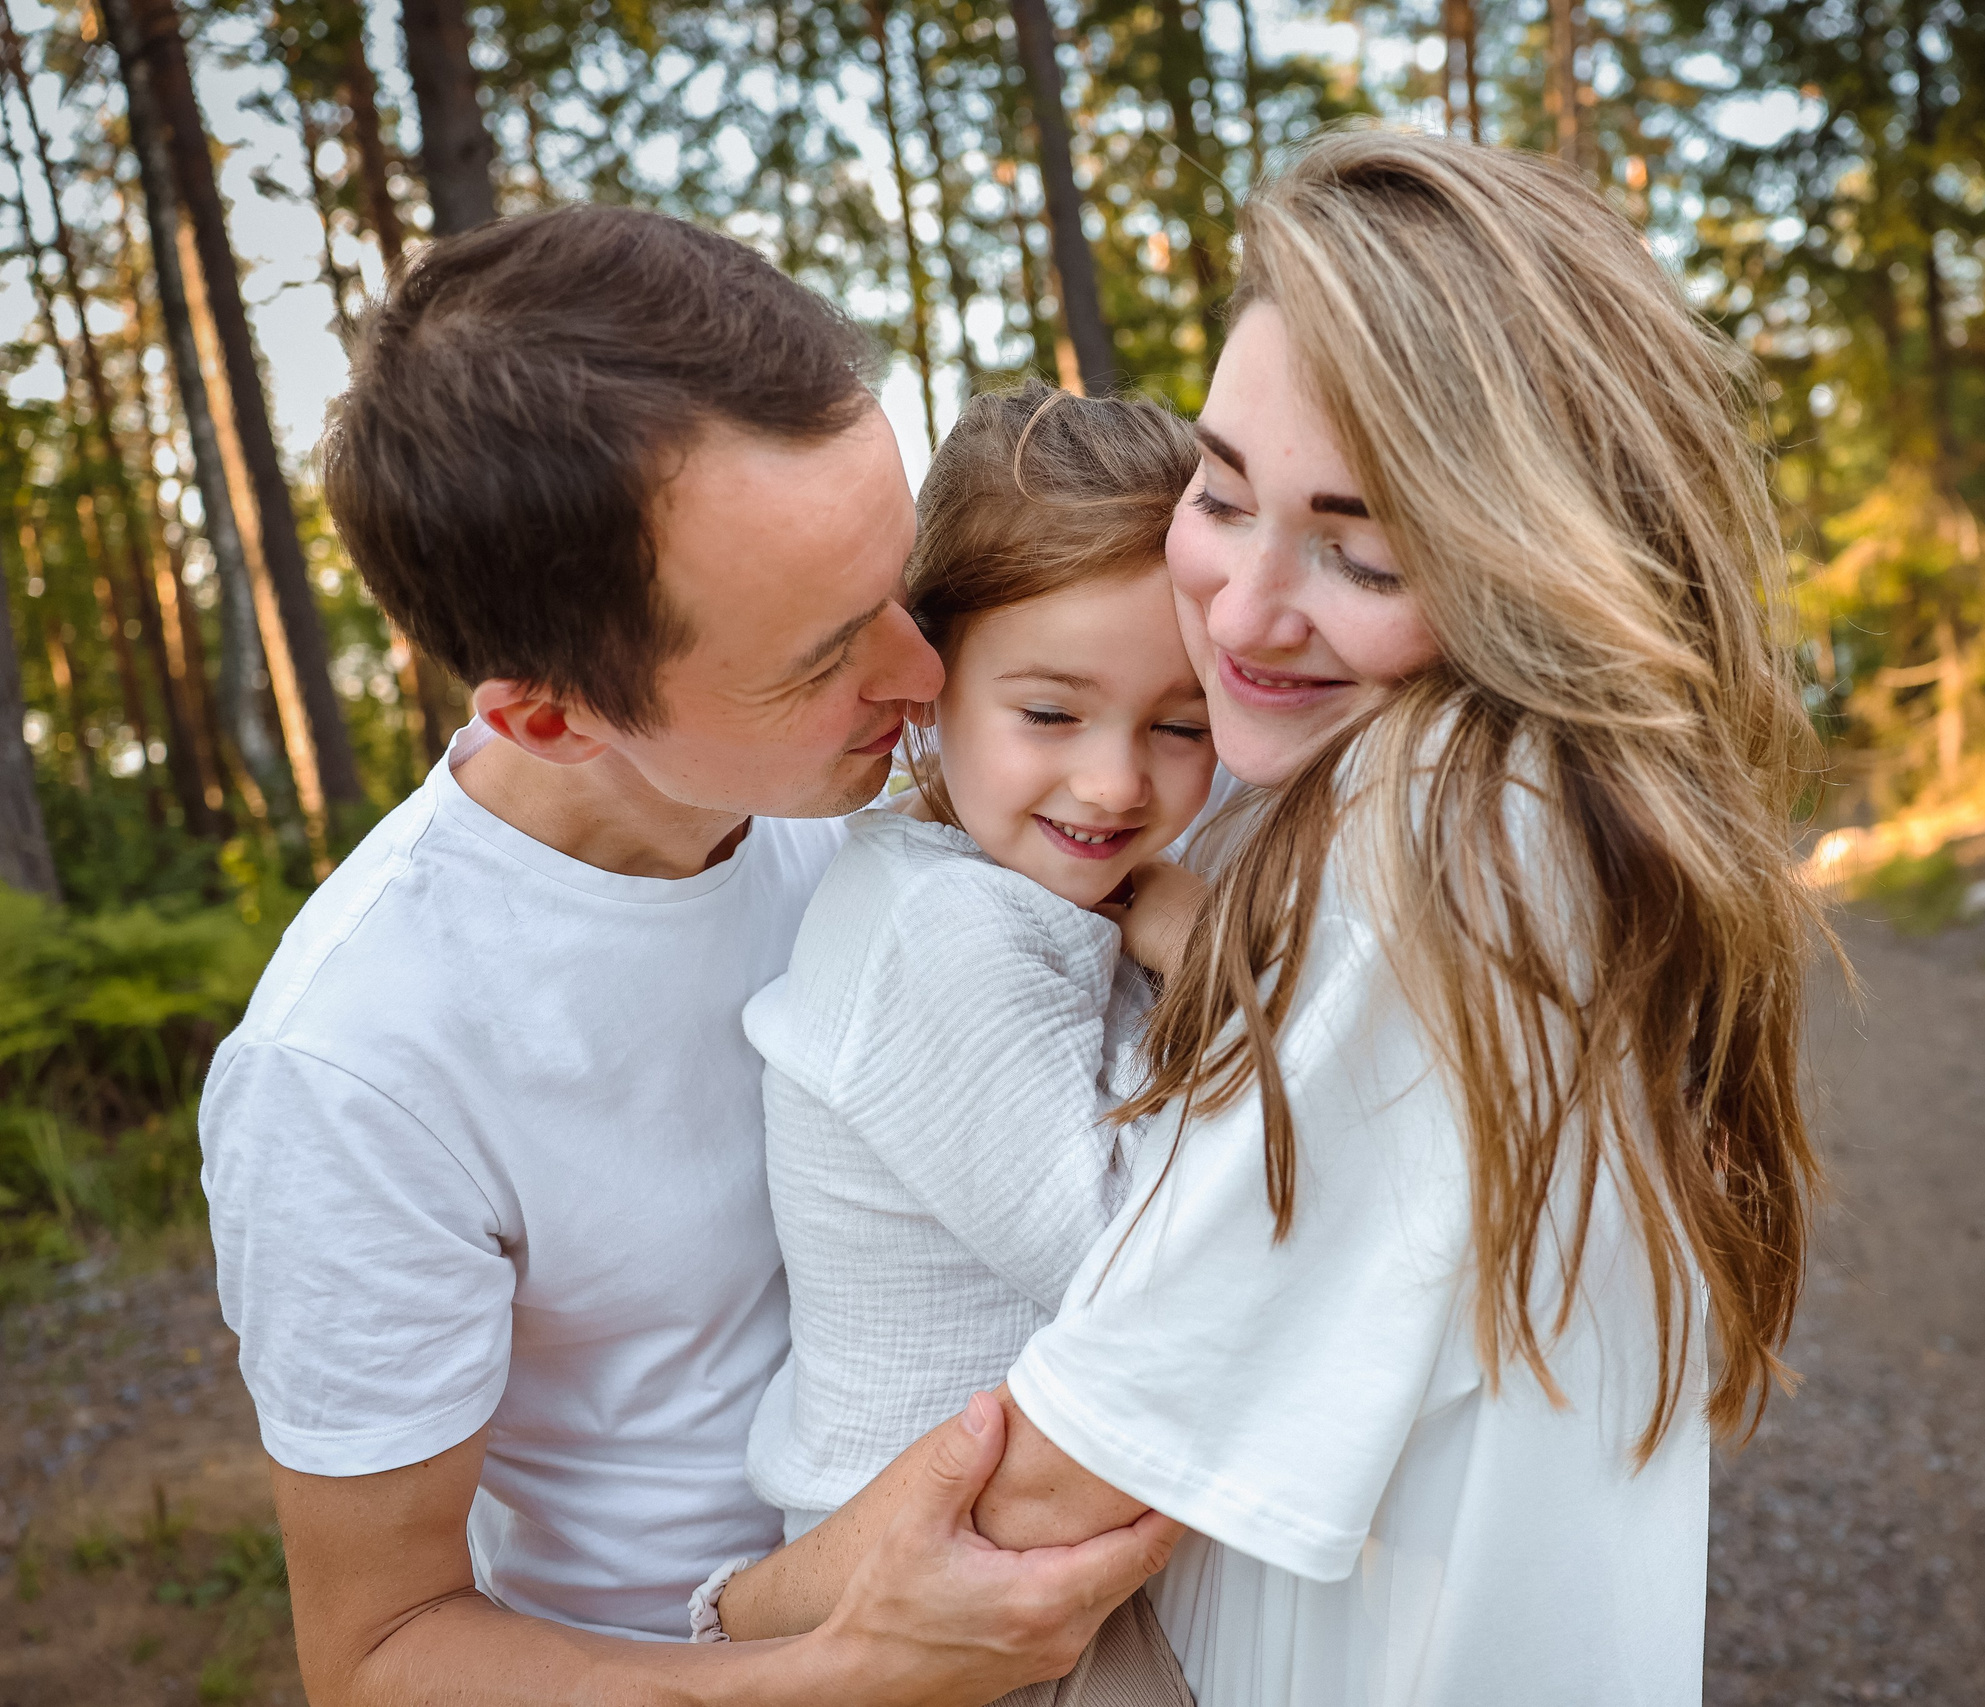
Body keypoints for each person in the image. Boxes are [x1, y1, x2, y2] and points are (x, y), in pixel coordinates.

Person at [730, 130, 1826, 1703]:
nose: (1241, 614)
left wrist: (731, 1630)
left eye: (1362, 551)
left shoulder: (1466, 822)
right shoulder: (1349, 771)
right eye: (1222, 497)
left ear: (1526, 557)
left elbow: (1131, 1351)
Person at [197, 205, 1174, 1707]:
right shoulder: (352, 1067)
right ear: (549, 716)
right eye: (820, 655)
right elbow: (379, 1655)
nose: (924, 676)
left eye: (900, 581)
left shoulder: (887, 786)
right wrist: (847, 1671)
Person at [738, 385, 1213, 1704]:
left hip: (1020, 1547)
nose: (1118, 781)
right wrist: (1220, 972)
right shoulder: (936, 927)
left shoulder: (1005, 881)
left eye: (1180, 726)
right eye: (1052, 714)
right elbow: (1131, 1258)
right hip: (929, 1602)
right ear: (931, 692)